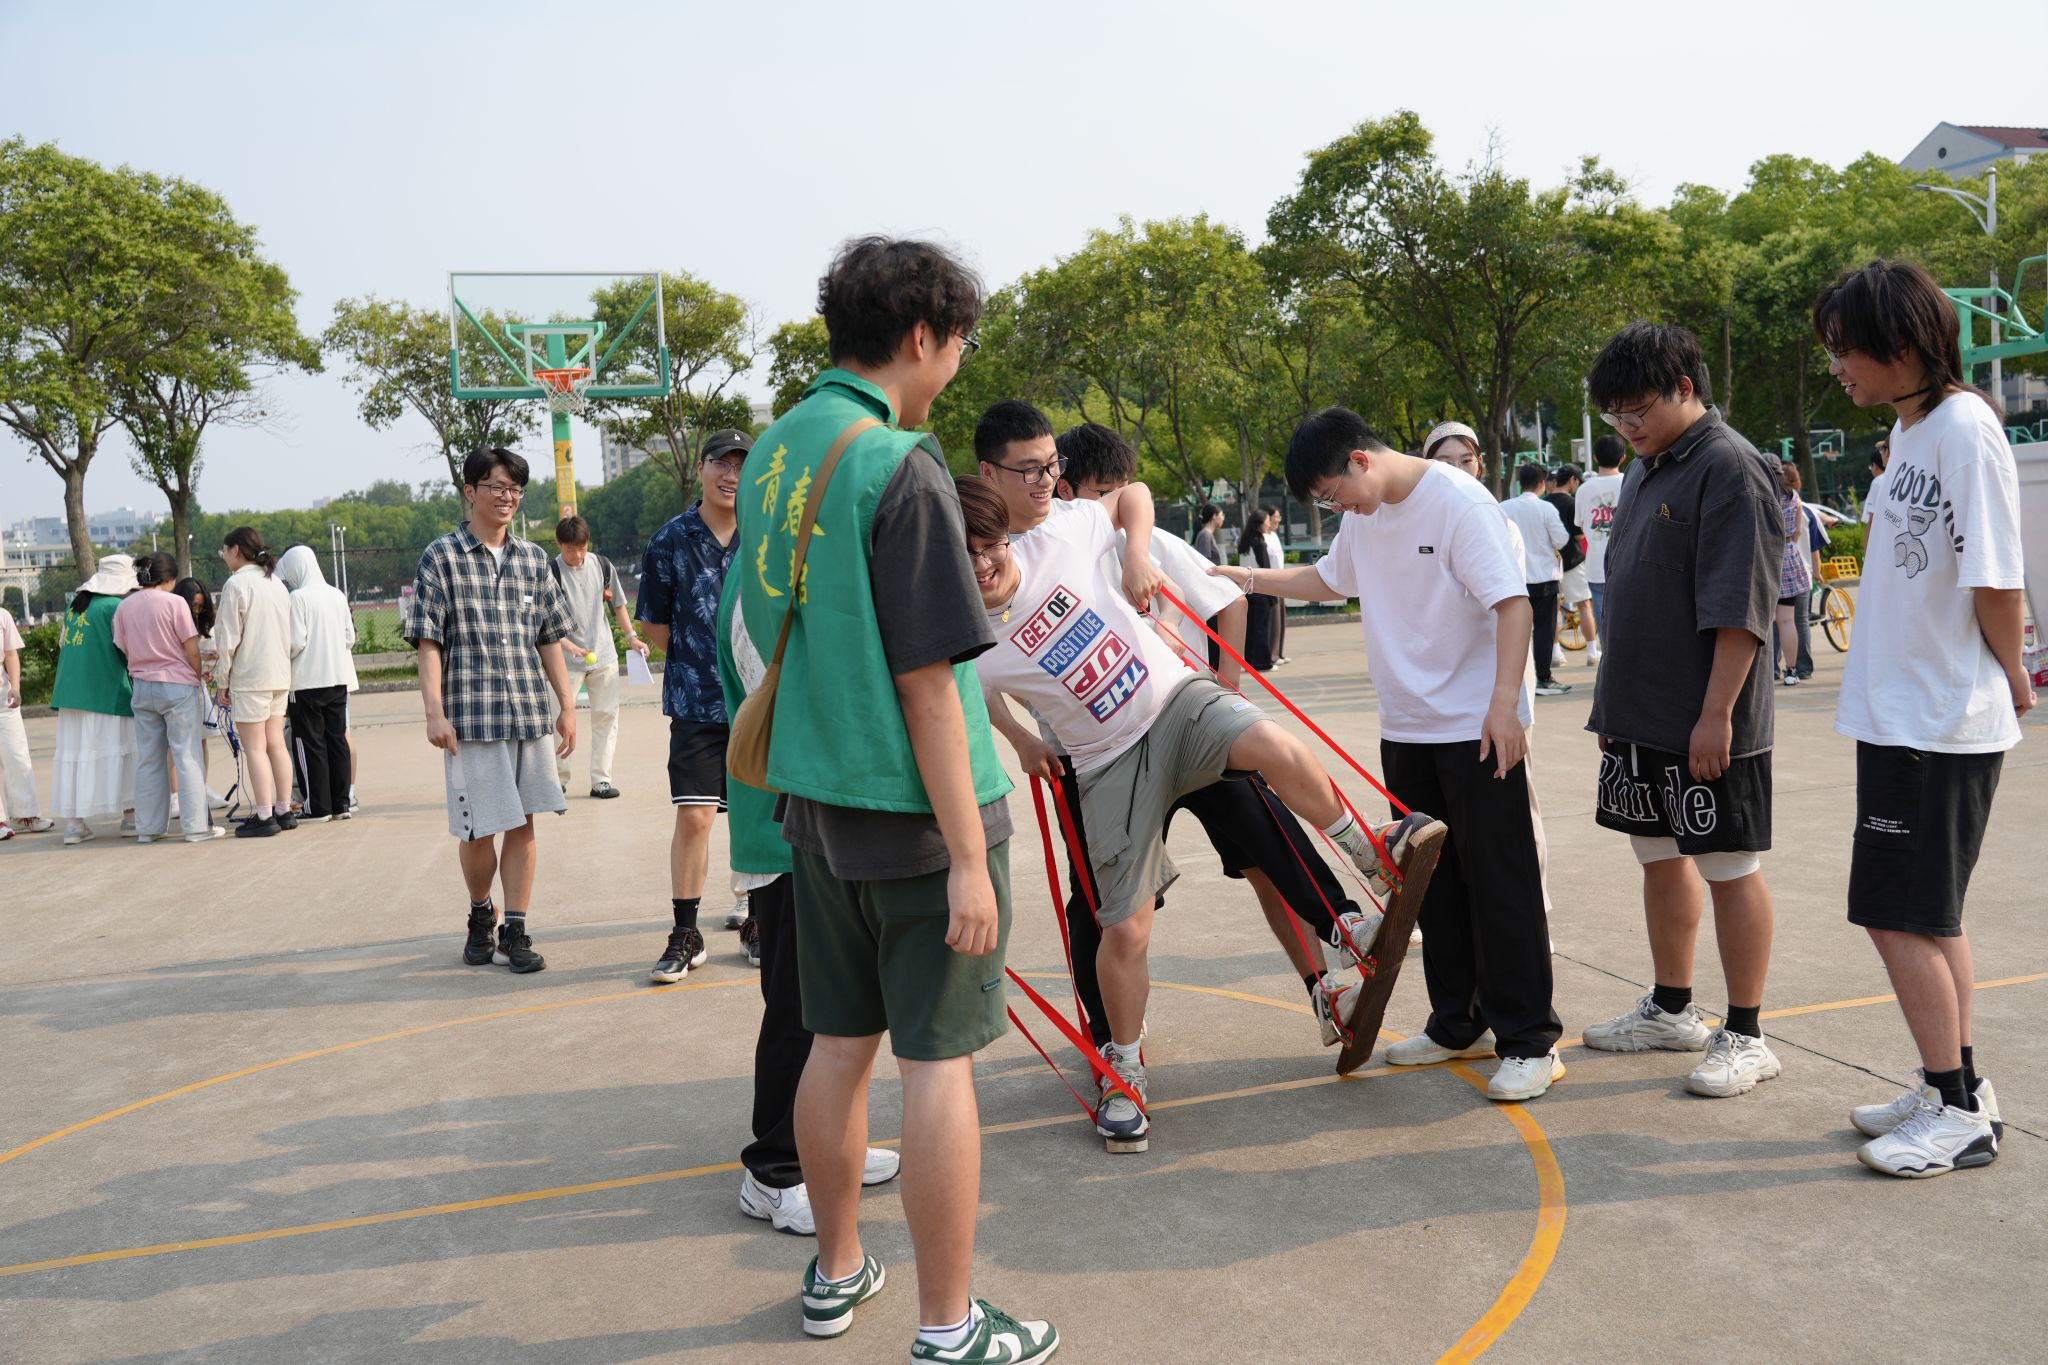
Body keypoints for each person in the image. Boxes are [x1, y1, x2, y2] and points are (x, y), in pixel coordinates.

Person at [722, 236, 1055, 1361]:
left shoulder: (775, 449)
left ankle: (833, 1270)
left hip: (814, 806)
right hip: (917, 813)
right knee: (937, 1065)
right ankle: (948, 1324)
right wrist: (967, 856)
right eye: (957, 344)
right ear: (921, 335)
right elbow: (925, 681)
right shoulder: (898, 463)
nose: (955, 366)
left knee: (834, 1045)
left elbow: (764, 625)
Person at [970, 404, 1439, 1150]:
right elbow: (966, 689)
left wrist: (1133, 553)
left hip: (1176, 703)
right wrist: (1021, 739)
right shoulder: (971, 631)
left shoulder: (1069, 526)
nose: (1044, 482)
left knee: (1270, 770)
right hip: (1104, 762)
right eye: (1029, 470)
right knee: (1121, 923)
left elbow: (1136, 500)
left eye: (1050, 467)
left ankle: (1369, 863)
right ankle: (1122, 1066)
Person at [1214, 409, 1562, 1100]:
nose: (1336, 508)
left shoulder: (1459, 503)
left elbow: (1513, 605)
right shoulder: (1364, 516)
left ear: (1360, 459)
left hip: (1475, 727)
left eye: (1333, 494)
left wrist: (1504, 705)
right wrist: (1241, 579)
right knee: (1433, 888)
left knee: (1501, 882)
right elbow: (1332, 579)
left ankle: (1530, 1040)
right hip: (1406, 729)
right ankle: (1458, 1023)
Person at [1817, 259, 2031, 1177]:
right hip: (1903, 713)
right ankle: (1957, 1085)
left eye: (1846, 350)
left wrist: (2012, 672)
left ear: (1901, 345)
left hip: (1937, 719)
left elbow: (1995, 576)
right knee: (1930, 918)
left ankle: (1957, 1112)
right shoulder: (1912, 430)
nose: (1837, 367)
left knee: (1895, 915)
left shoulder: (1964, 430)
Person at [1580, 321, 1785, 1098]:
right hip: (1642, 713)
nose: (1626, 426)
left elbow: (1742, 608)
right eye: (1614, 414)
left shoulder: (1730, 466)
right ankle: (1671, 1007)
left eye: (1638, 409)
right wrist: (1612, 705)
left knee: (1729, 864)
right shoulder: (1644, 469)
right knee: (1657, 854)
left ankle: (1747, 1032)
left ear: (1686, 388)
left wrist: (1716, 714)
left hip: (1708, 718)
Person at [404, 447, 577, 977]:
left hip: (528, 713)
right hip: (472, 719)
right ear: (470, 491)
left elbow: (549, 637)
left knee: (524, 825)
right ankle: (482, 912)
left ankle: (515, 930)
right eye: (497, 487)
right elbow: (429, 641)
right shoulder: (442, 556)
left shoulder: (533, 560)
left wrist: (567, 705)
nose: (507, 497)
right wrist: (434, 712)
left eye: (515, 489)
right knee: (479, 830)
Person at [635, 431, 747, 981]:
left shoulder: (766, 534)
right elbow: (653, 623)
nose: (731, 475)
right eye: (721, 463)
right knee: (696, 816)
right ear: (702, 469)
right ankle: (686, 931)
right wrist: (698, 660)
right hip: (696, 703)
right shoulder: (670, 540)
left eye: (742, 465)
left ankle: (758, 918)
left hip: (758, 703)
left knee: (756, 816)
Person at [112, 552, 224, 843]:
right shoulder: (175, 603)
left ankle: (148, 829)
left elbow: (122, 646)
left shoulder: (124, 606)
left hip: (142, 686)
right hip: (177, 686)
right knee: (187, 754)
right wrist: (197, 675)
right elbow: (191, 648)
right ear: (171, 578)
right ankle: (196, 826)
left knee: (149, 758)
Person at [550, 515, 645, 801]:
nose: (577, 555)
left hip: (603, 655)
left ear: (587, 543)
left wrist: (632, 637)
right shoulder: (550, 572)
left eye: (581, 548)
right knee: (561, 720)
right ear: (559, 544)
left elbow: (619, 605)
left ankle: (601, 780)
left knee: (606, 717)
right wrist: (568, 646)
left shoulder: (602, 565)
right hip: (566, 660)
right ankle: (557, 781)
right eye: (570, 550)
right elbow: (546, 622)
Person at [51, 554, 139, 844]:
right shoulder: (116, 607)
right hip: (107, 691)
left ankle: (75, 825)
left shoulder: (76, 606)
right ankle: (130, 817)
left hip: (71, 693)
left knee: (77, 754)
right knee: (124, 750)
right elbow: (129, 650)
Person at [215, 527, 297, 838]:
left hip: (251, 677)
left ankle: (264, 815)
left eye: (224, 551)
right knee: (276, 743)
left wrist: (222, 680)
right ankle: (283, 809)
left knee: (255, 748)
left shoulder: (236, 584)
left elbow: (227, 639)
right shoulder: (276, 583)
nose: (224, 557)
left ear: (235, 550)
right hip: (279, 675)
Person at [278, 546, 360, 821]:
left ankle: (317, 806)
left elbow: (295, 642)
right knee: (337, 739)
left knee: (309, 743)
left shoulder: (298, 598)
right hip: (337, 679)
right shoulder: (337, 594)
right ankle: (341, 803)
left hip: (306, 682)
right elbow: (349, 637)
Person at [1500, 463, 1571, 695]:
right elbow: (1561, 540)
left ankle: (1516, 679)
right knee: (1543, 630)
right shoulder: (1546, 508)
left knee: (1514, 630)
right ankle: (1543, 678)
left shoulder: (1504, 507)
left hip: (1514, 579)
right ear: (1542, 483)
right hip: (1544, 578)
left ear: (1521, 483)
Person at [0, 602, 54, 839]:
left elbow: (11, 654)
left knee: (17, 756)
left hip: (4, 699)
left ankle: (26, 814)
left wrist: (16, 687)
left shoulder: (2, 616)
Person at [1576, 436, 1627, 653]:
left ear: (1596, 457)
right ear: (1623, 457)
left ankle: (1609, 659)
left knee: (1603, 617)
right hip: (1629, 562)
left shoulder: (1584, 489)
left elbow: (1580, 524)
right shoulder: (1631, 481)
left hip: (1597, 564)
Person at [1547, 464, 1597, 665]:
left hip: (1550, 563)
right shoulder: (1571, 503)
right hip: (1573, 561)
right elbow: (1579, 535)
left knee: (1554, 608)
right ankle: (1592, 651)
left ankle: (1556, 652)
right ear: (1573, 480)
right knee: (1584, 605)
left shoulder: (1545, 503)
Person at [1772, 466, 1813, 687]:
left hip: (1769, 557)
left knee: (1765, 621)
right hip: (1790, 555)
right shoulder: (1795, 498)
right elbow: (1797, 533)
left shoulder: (1768, 498)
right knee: (1788, 621)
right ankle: (1792, 671)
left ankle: (1769, 670)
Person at [1237, 507, 1278, 669]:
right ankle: (1262, 662)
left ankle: (1250, 660)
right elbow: (1266, 570)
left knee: (1251, 628)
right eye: (1267, 521)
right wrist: (1273, 593)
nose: (1269, 524)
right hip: (1260, 589)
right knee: (1261, 628)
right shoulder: (1259, 542)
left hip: (1247, 590)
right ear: (1259, 523)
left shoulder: (1245, 542)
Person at [1262, 506, 1291, 664]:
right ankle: (1272, 655)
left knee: (1281, 620)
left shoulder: (1274, 536)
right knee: (1273, 621)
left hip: (1281, 581)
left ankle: (1279, 653)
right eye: (1275, 517)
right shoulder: (1263, 538)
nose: (1278, 520)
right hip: (1271, 582)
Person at [1862, 438, 1891, 525]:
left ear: (1875, 465)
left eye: (1883, 450)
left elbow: (1871, 519)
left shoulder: (1877, 482)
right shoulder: (1899, 477)